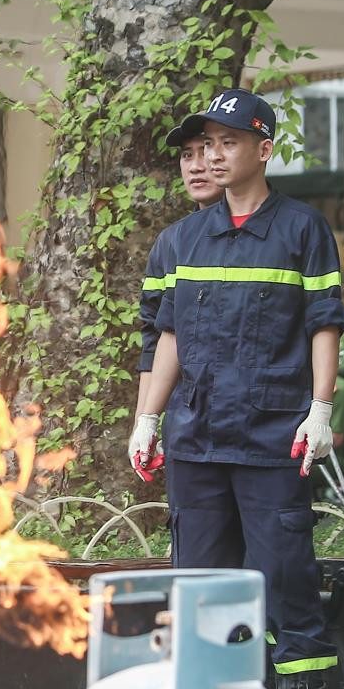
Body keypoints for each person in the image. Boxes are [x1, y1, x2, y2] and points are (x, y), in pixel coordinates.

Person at [128, 89, 344, 689]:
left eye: (229, 142)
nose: (216, 155)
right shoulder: (181, 241)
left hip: (272, 433)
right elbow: (165, 336)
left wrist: (320, 409)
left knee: (285, 569)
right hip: (197, 436)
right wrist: (147, 418)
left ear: (264, 150)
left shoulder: (301, 230)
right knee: (199, 573)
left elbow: (324, 324)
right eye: (209, 144)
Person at [133, 129, 226, 481]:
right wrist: (144, 424)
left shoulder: (281, 231)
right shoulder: (170, 243)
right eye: (187, 155)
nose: (197, 166)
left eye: (205, 152)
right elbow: (154, 340)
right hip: (189, 425)